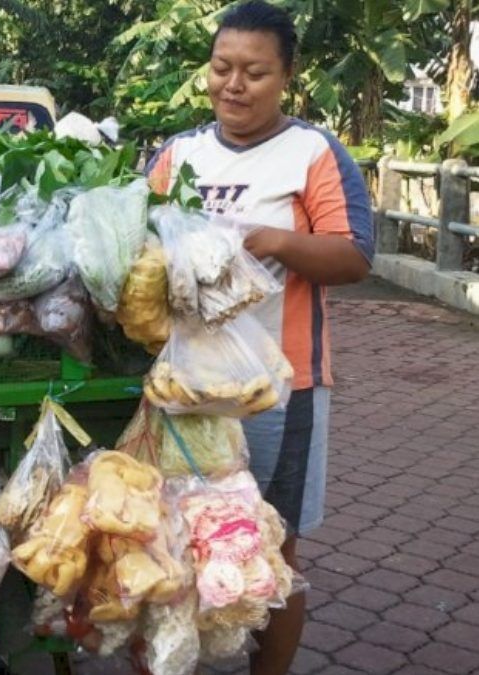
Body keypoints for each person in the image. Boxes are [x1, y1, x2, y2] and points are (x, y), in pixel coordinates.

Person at [145, 2, 373, 674]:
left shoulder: (312, 152)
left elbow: (354, 256)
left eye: (253, 71)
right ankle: (177, 656)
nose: (232, 85)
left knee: (272, 545)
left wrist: (266, 240)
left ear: (286, 77)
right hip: (184, 386)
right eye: (220, 68)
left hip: (281, 386)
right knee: (176, 536)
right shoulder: (177, 154)